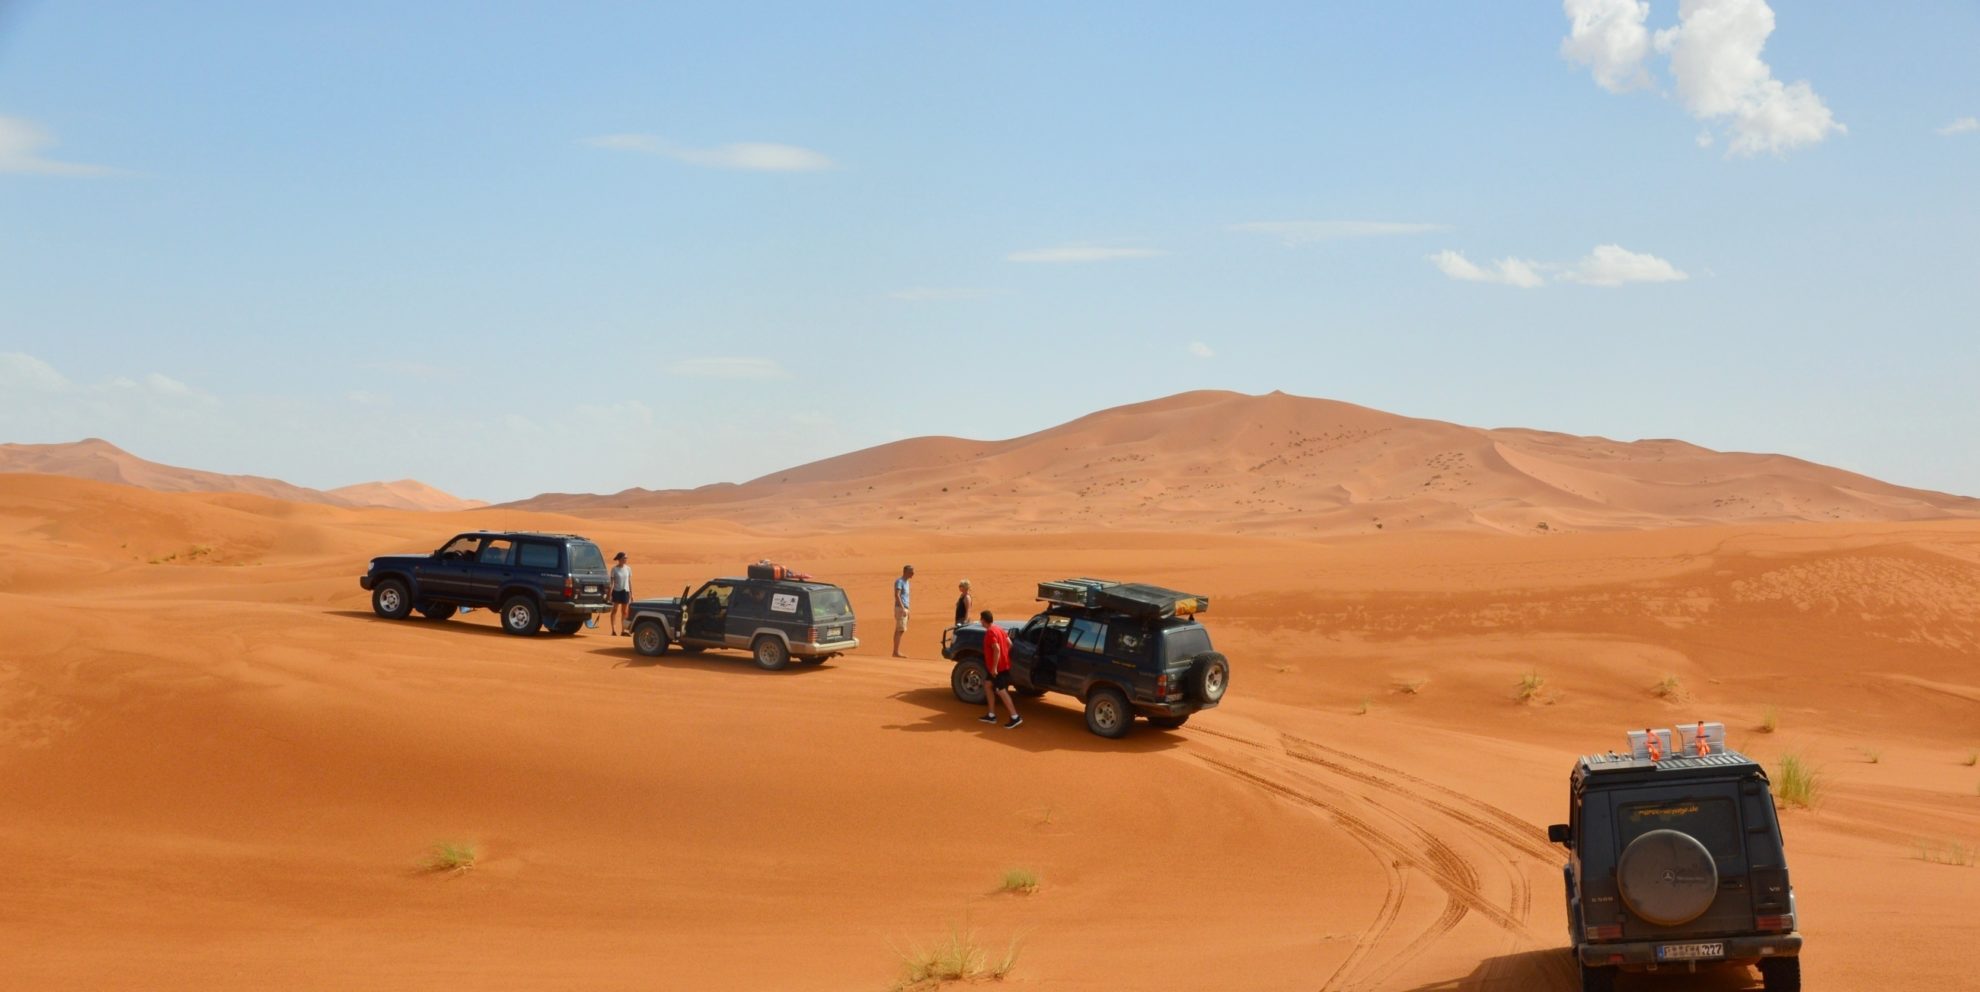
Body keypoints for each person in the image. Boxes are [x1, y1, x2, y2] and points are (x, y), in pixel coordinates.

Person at [978, 609, 1021, 729]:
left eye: (981, 619)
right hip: (999, 666)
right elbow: (1010, 644)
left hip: (997, 668)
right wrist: (1004, 656)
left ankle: (1015, 717)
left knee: (1001, 690)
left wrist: (995, 667)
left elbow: (996, 649)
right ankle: (991, 715)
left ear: (983, 620)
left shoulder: (990, 632)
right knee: (987, 685)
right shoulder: (999, 629)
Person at [891, 564, 914, 657]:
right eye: (911, 572)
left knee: (901, 630)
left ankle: (896, 651)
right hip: (901, 608)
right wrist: (903, 608)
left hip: (904, 608)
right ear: (906, 572)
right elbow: (897, 595)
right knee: (899, 630)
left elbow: (905, 597)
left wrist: (908, 610)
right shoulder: (899, 582)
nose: (913, 573)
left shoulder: (907, 582)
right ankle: (895, 652)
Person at [608, 552, 632, 636]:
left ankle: (623, 630)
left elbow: (629, 581)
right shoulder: (614, 569)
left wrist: (631, 594)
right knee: (614, 610)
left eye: (626, 558)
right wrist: (609, 594)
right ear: (619, 559)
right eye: (624, 558)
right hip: (616, 591)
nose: (626, 559)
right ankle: (613, 630)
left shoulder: (628, 568)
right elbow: (612, 583)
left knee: (624, 612)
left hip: (625, 591)